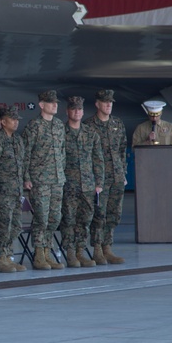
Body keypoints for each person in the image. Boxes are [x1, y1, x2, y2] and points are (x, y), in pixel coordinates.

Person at [21, 90, 67, 270]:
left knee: (55, 218)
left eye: (56, 102)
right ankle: (39, 254)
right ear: (41, 105)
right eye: (50, 102)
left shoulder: (58, 125)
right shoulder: (34, 126)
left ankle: (48, 251)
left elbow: (62, 152)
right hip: (40, 180)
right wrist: (26, 177)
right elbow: (26, 153)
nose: (55, 105)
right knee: (41, 218)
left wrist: (62, 173)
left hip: (57, 179)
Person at [85, 89, 127, 264]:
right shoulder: (89, 125)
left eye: (110, 102)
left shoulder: (117, 123)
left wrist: (123, 172)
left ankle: (107, 247)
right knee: (98, 214)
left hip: (116, 176)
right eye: (105, 102)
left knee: (113, 214)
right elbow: (87, 154)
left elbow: (122, 150)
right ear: (97, 104)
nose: (109, 105)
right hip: (99, 179)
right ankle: (97, 249)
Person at [62, 96, 104, 267]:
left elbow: (98, 159)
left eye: (79, 109)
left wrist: (99, 183)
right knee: (69, 220)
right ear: (67, 112)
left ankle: (81, 251)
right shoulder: (61, 133)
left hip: (87, 184)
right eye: (73, 109)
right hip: (68, 184)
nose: (77, 112)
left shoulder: (90, 134)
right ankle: (70, 253)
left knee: (85, 220)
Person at [0, 107, 27, 273]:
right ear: (3, 122)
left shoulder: (17, 140)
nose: (16, 122)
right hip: (3, 190)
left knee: (15, 225)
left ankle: (8, 256)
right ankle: (0, 258)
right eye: (12, 119)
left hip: (16, 190)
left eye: (17, 119)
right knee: (3, 225)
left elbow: (22, 164)